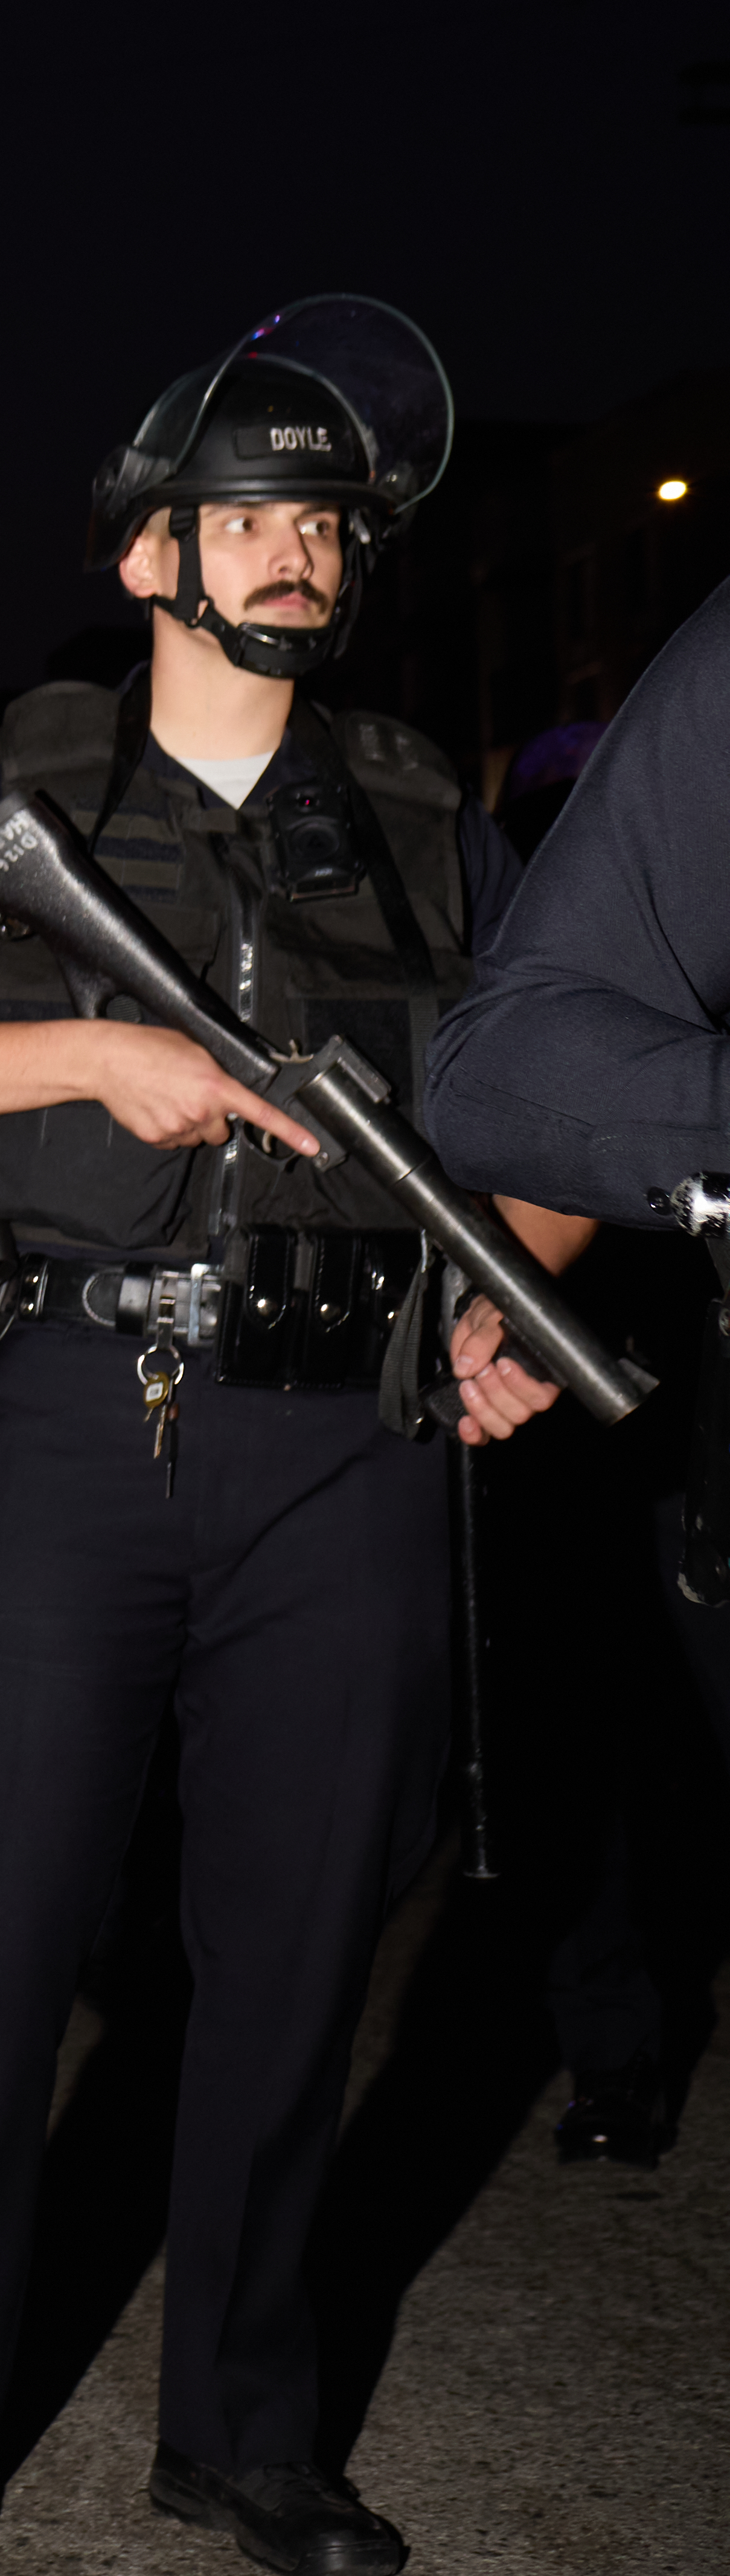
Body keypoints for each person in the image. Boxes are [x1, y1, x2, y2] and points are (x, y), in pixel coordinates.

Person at [0, 299, 590, 2576]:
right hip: (65, 1414)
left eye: (321, 514)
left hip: (345, 1444)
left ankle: (250, 2432)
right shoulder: (16, 784)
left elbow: (546, 1111)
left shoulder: (424, 812)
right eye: (246, 509)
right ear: (151, 557)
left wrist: (495, 1305)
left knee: (301, 1952)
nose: (294, 547)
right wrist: (78, 1063)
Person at [425, 652, 730, 2165]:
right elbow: (541, 1128)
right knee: (580, 1742)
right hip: (585, 1418)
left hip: (686, 1393)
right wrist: (498, 1314)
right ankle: (615, 2053)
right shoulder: (546, 942)